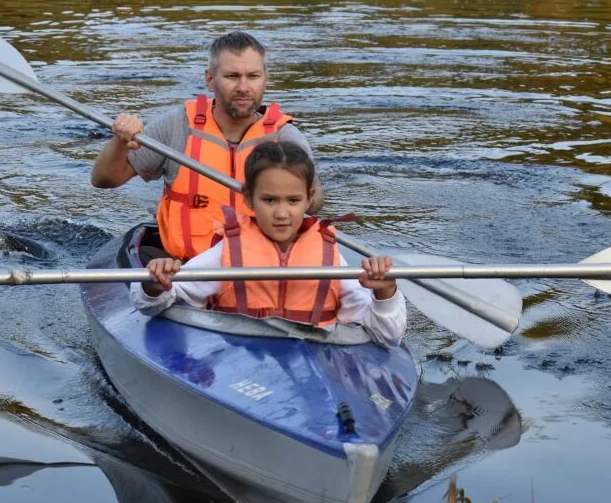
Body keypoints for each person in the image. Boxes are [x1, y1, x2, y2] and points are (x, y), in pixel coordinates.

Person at [133, 142, 405, 348]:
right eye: (270, 200)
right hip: (240, 357)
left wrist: (385, 293)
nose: (282, 213)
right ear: (249, 199)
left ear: (309, 198)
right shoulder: (227, 254)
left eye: (293, 200)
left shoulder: (330, 258)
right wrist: (155, 284)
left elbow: (387, 335)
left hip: (314, 357)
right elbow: (152, 304)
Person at [91, 31, 323, 261]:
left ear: (265, 79)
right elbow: (104, 180)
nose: (243, 87)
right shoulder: (177, 125)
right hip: (183, 267)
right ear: (210, 80)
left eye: (253, 76)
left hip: (260, 266)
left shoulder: (285, 137)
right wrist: (120, 142)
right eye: (232, 76)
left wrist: (286, 197)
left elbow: (314, 202)